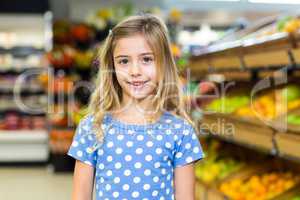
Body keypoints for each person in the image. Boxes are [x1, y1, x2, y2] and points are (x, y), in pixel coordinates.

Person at [68, 13, 204, 200]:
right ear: (112, 67)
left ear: (163, 63)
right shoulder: (92, 127)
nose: (135, 71)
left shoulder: (180, 132)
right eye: (124, 61)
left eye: (146, 59)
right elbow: (80, 196)